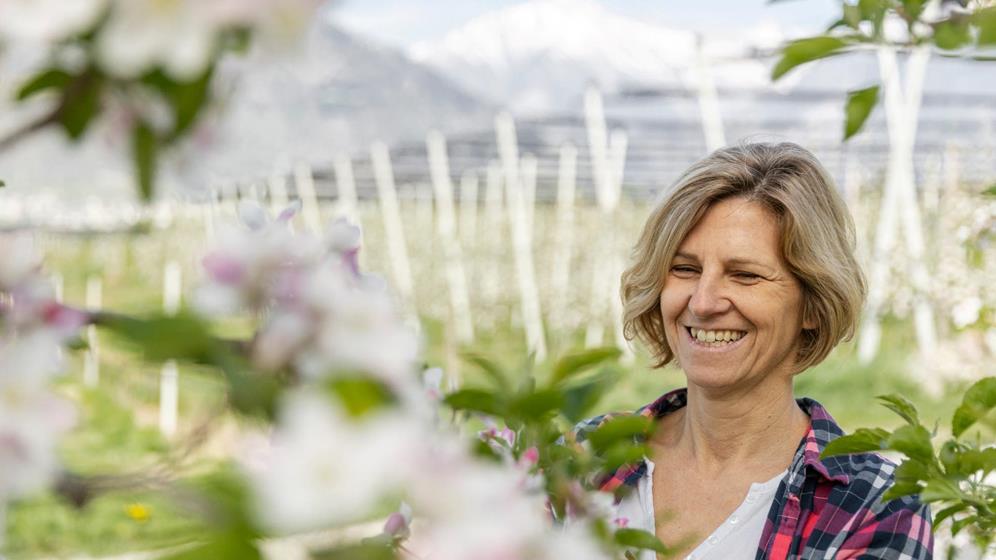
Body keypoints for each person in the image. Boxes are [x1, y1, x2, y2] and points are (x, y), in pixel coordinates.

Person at [573, 143, 933, 559]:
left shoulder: (872, 505)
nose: (704, 302)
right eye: (685, 269)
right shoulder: (587, 456)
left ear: (812, 305)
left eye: (745, 275)